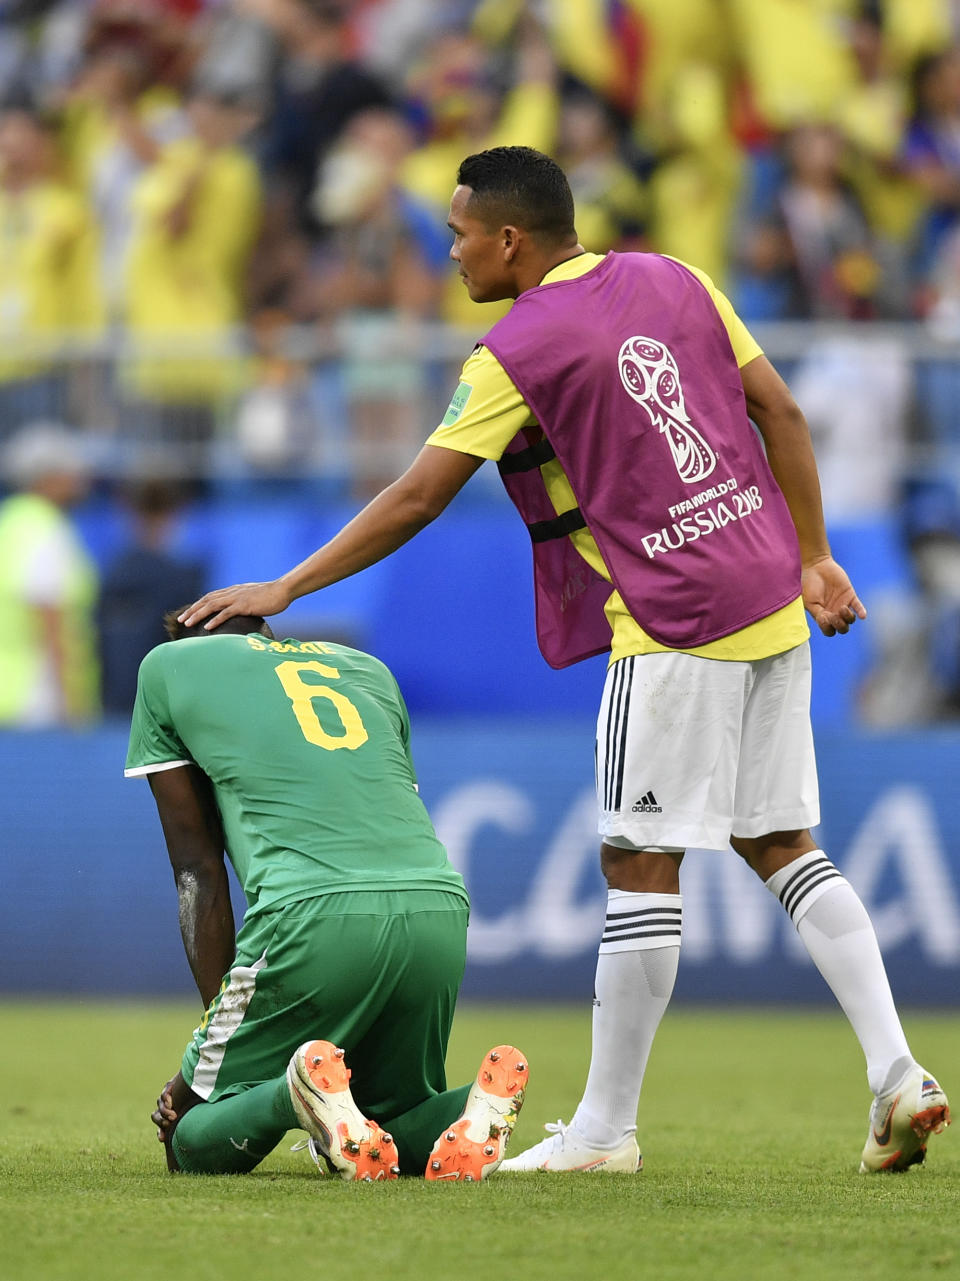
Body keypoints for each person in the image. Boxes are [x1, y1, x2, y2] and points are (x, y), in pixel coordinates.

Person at [179, 145, 950, 1175]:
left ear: (509, 239)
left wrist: (286, 588)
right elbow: (784, 414)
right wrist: (814, 556)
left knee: (637, 863)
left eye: (457, 234)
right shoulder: (680, 276)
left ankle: (603, 1134)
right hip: (770, 597)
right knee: (781, 840)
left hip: (672, 619)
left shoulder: (515, 351)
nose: (449, 253)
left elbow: (417, 495)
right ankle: (898, 1073)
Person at [127, 609, 527, 1181]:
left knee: (186, 1137)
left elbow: (197, 871)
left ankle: (295, 1094)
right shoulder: (366, 670)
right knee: (392, 1118)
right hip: (437, 905)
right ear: (268, 637)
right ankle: (472, 1108)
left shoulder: (169, 666)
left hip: (310, 912)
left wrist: (216, 1060)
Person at [0, 422, 100, 727]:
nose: (79, 478)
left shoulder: (12, 522)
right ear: (46, 477)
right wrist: (71, 705)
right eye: (71, 471)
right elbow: (49, 615)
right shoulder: (44, 529)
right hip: (38, 698)